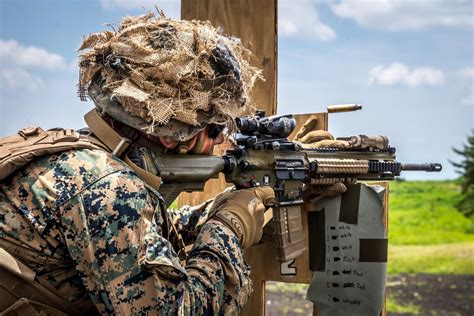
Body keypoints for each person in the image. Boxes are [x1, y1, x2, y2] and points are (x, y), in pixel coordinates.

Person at [0, 13, 344, 315]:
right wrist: (229, 226)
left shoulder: (79, 155)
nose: (223, 142)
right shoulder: (107, 188)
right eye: (215, 129)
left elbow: (131, 239)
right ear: (171, 135)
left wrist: (236, 205)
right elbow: (177, 308)